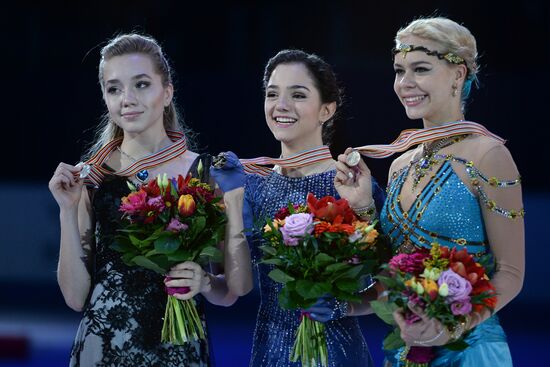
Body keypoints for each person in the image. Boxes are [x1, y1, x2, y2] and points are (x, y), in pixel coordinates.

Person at [48, 33, 251, 366]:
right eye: (114, 88)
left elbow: (230, 292)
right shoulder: (94, 178)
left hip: (180, 350)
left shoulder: (205, 172)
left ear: (167, 92)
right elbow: (74, 297)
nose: (127, 99)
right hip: (104, 350)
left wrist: (204, 282)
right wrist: (67, 211)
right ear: (105, 97)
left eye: (141, 84)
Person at [334, 17, 524, 366]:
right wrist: (362, 207)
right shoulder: (399, 164)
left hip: (470, 351)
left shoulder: (489, 155)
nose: (405, 83)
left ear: (458, 74)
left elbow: (511, 273)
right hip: (403, 352)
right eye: (398, 70)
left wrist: (451, 327)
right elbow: (390, 275)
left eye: (420, 69)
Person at [211, 49, 385, 367]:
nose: (281, 105)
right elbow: (238, 287)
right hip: (271, 351)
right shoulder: (252, 186)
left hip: (339, 352)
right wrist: (232, 199)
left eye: (298, 95)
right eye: (272, 94)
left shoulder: (351, 182)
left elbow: (388, 279)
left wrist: (345, 307)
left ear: (326, 110)